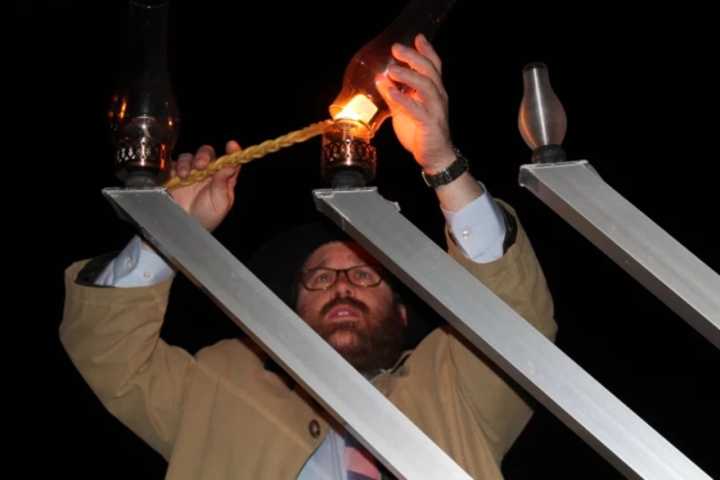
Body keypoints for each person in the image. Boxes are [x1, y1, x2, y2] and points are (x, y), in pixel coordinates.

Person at [60, 34, 556, 479]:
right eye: (318, 278)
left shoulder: (455, 381)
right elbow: (108, 353)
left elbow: (519, 326)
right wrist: (166, 233)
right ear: (292, 308)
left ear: (405, 310)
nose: (341, 284)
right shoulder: (220, 386)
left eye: (365, 274)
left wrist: (444, 165)